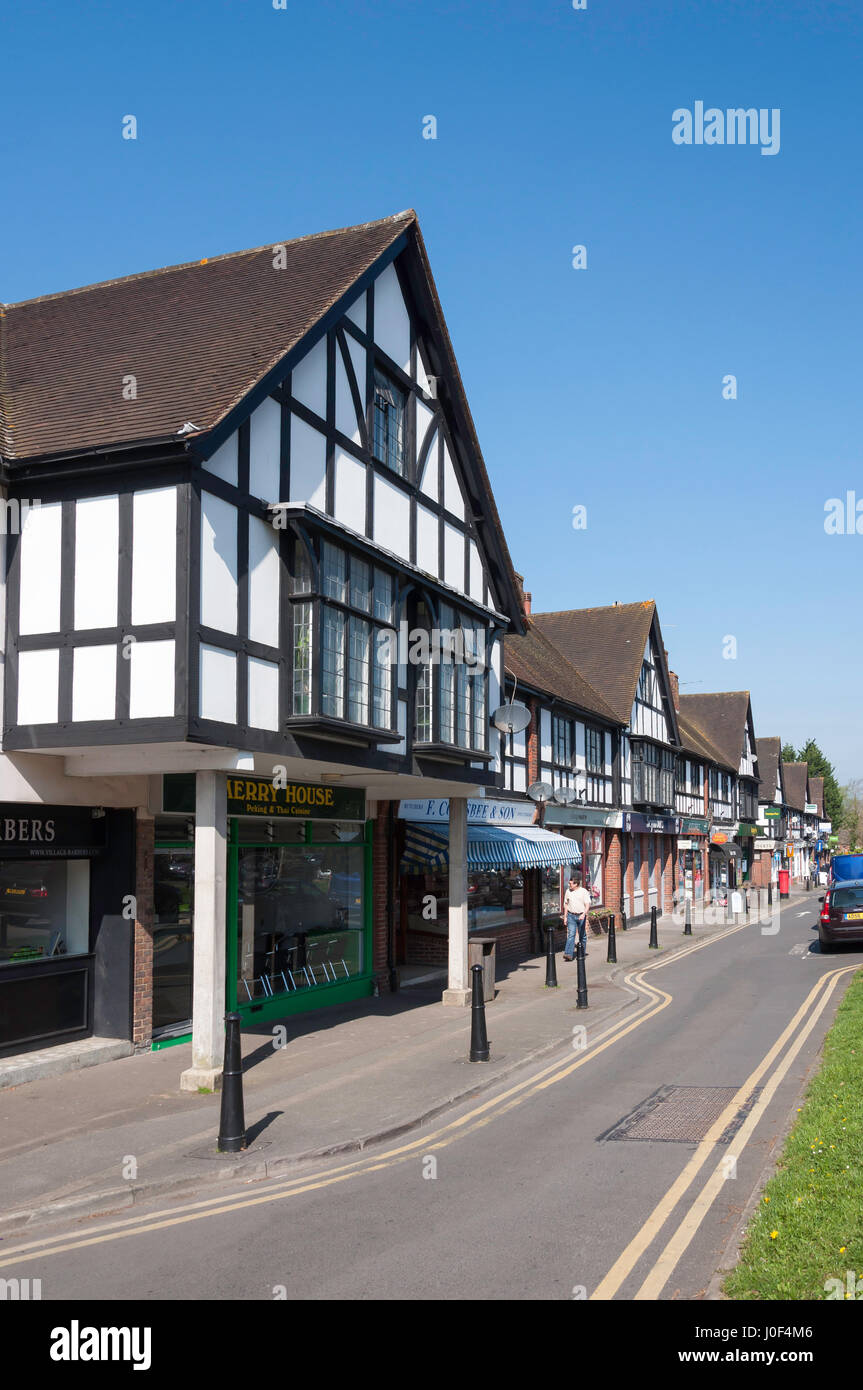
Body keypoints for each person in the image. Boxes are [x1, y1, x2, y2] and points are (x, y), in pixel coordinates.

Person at [562, 873, 592, 961]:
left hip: (581, 916)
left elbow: (587, 904)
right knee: (571, 934)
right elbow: (566, 905)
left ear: (576, 884)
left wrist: (583, 914)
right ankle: (568, 954)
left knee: (582, 935)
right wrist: (565, 917)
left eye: (570, 884)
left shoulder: (583, 892)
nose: (569, 885)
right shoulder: (568, 891)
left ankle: (581, 953)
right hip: (571, 915)